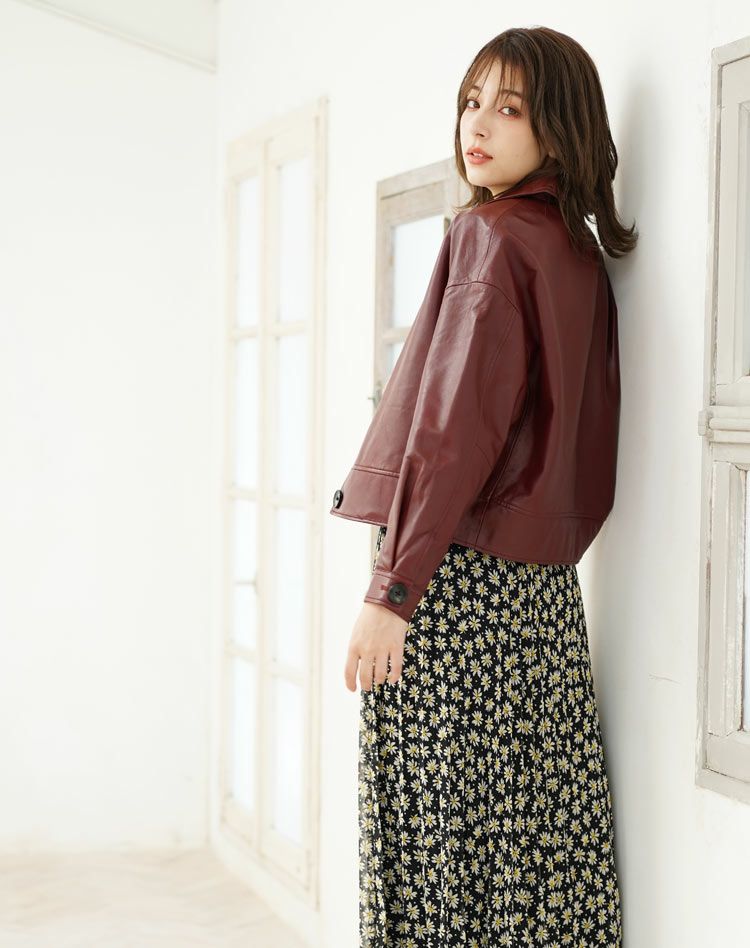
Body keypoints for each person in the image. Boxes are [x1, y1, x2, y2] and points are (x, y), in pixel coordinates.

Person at [330, 25, 637, 948]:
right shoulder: (577, 254)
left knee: (439, 851)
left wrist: (391, 590)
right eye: (473, 102)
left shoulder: (488, 236)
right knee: (534, 848)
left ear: (559, 126)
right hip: (541, 607)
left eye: (510, 108)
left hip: (454, 591)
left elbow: (453, 433)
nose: (479, 124)